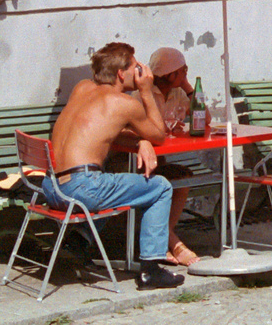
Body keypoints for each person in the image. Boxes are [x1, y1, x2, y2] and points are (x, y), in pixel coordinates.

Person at [46, 42, 185, 290]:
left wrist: (140, 140)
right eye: (135, 66)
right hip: (82, 190)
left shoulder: (82, 88)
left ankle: (77, 244)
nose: (141, 71)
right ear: (122, 74)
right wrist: (145, 91)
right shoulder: (123, 103)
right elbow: (160, 134)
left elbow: (102, 129)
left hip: (52, 188)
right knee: (161, 186)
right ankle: (151, 269)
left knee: (111, 181)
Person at [147, 47, 201, 267]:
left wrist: (188, 87)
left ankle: (164, 240)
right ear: (169, 73)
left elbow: (203, 119)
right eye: (182, 70)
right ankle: (175, 243)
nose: (186, 72)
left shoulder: (179, 92)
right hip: (138, 161)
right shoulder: (145, 93)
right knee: (162, 183)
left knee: (182, 178)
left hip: (162, 158)